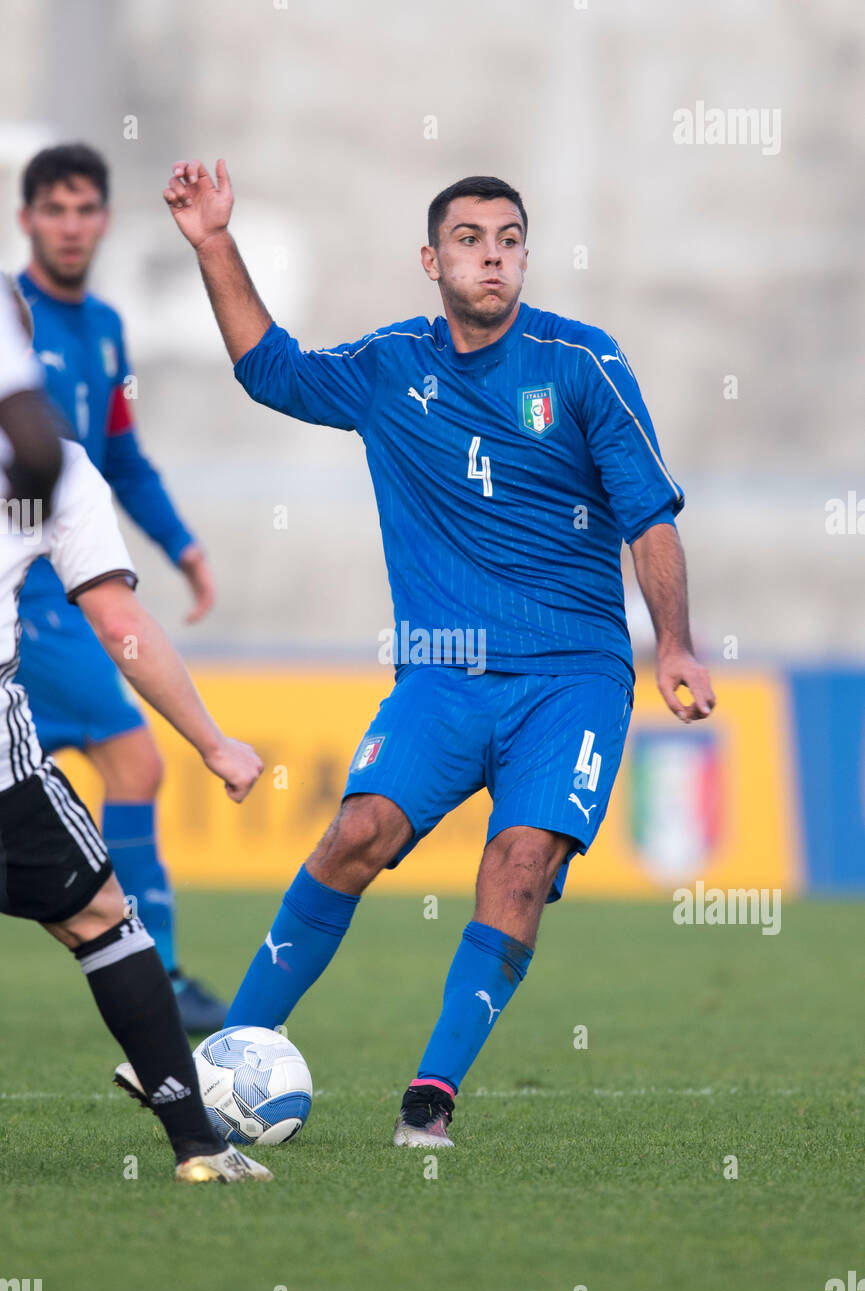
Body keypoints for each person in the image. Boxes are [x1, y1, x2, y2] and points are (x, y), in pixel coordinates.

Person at [159, 161, 715, 1148]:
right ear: (431, 259)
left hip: (573, 675)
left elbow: (648, 513)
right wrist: (212, 244)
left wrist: (672, 641)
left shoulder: (583, 362)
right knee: (357, 831)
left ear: (524, 257)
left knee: (517, 860)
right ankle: (230, 1052)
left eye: (507, 239)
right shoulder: (388, 367)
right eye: (469, 238)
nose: (491, 254)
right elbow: (268, 368)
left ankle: (431, 1095)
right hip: (441, 672)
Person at [0, 275, 271, 1182]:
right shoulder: (57, 465)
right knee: (102, 919)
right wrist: (214, 741)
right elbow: (120, 626)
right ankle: (199, 1146)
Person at [15, 143, 226, 1031]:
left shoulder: (103, 326)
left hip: (72, 591)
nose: (71, 225)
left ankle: (159, 968)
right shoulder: (10, 315)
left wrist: (182, 546)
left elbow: (123, 457)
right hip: (32, 598)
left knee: (123, 769)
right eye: (54, 209)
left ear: (104, 218)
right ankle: (160, 972)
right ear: (27, 217)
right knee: (136, 761)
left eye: (85, 209)